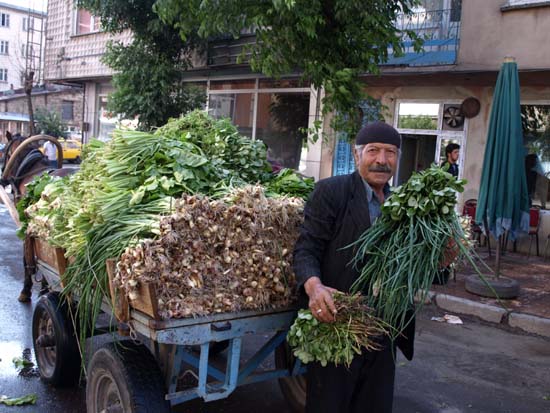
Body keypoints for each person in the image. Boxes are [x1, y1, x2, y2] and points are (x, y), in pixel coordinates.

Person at [293, 121, 415, 413]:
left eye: (391, 153)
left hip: (384, 330)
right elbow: (307, 248)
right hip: (338, 324)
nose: (382, 160)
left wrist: (445, 257)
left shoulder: (405, 206)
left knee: (374, 405)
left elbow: (422, 270)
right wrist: (315, 287)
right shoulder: (331, 192)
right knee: (329, 405)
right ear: (357, 155)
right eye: (373, 151)